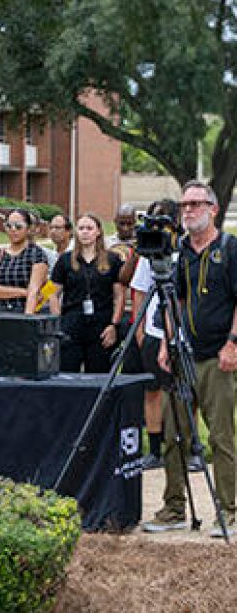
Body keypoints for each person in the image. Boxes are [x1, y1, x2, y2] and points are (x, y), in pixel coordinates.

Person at [144, 182, 237, 536]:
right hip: (184, 354)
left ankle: (228, 510)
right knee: (175, 434)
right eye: (184, 204)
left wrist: (232, 343)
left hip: (218, 356)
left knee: (221, 437)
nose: (188, 210)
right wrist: (167, 344)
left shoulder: (229, 249)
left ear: (213, 209)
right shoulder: (181, 251)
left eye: (196, 204)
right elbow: (176, 301)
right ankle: (173, 508)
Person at [129, 199, 180, 470]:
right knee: (153, 391)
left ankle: (187, 448)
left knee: (185, 393)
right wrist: (139, 331)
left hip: (182, 334)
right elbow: (138, 291)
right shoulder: (150, 252)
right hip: (152, 329)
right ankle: (156, 448)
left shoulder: (186, 251)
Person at [48, 214, 125, 372]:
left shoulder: (113, 260)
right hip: (71, 326)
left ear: (98, 232)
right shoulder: (65, 260)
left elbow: (119, 296)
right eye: (81, 228)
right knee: (68, 376)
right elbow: (50, 292)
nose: (85, 232)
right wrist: (58, 322)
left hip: (101, 327)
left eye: (89, 228)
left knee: (98, 376)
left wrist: (114, 325)